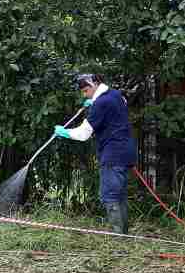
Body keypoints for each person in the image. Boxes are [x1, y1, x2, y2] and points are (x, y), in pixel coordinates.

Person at [53, 74, 137, 234]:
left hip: (113, 154)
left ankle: (118, 237)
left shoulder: (101, 103)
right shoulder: (115, 94)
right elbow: (119, 106)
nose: (85, 95)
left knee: (110, 195)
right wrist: (94, 103)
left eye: (86, 91)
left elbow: (84, 134)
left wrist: (64, 132)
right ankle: (123, 234)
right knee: (119, 194)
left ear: (95, 85)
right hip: (127, 151)